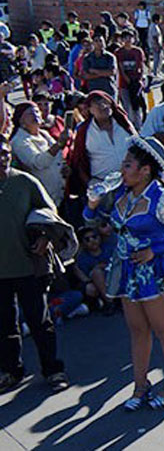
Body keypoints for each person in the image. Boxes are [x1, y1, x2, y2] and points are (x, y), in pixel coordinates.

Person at [83, 136, 164, 410]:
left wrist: (154, 250)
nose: (122, 169)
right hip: (127, 268)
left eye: (128, 164)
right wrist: (92, 205)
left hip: (156, 270)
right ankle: (140, 385)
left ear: (145, 170)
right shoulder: (120, 193)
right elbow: (91, 222)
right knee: (137, 330)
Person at [0, 137, 71, 394]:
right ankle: (11, 370)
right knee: (5, 325)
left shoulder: (25, 182)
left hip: (29, 267)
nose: (2, 158)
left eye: (5, 153)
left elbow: (50, 213)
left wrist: (44, 237)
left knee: (40, 321)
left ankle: (53, 370)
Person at [10, 101, 71, 199]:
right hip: (43, 195)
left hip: (60, 192)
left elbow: (58, 156)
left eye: (37, 112)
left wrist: (63, 167)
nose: (35, 115)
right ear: (21, 120)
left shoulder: (44, 134)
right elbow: (38, 163)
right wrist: (59, 144)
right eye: (30, 113)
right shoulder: (19, 141)